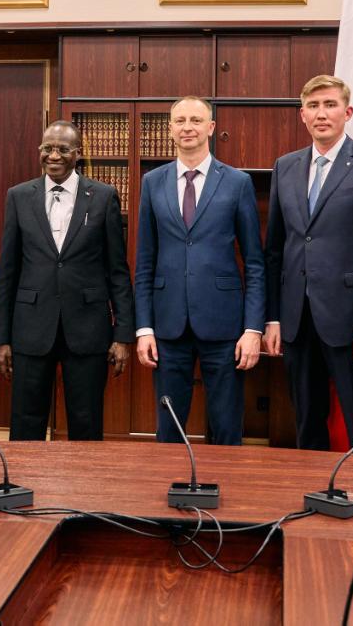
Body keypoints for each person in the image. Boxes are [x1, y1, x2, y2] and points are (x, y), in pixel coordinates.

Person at [263, 76, 353, 453]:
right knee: (307, 423)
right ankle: (312, 486)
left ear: (348, 112)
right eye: (313, 106)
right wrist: (274, 317)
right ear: (302, 115)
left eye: (330, 105)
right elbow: (275, 250)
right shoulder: (285, 167)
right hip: (297, 321)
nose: (321, 113)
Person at [0, 121, 135, 440]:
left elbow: (117, 271)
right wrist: (1, 338)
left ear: (78, 154)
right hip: (30, 328)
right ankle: (24, 474)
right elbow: (8, 272)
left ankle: (82, 476)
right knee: (26, 422)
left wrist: (123, 335)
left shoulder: (103, 197)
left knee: (86, 422)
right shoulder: (18, 196)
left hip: (88, 329)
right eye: (47, 148)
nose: (53, 155)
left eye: (62, 149)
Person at [134, 96, 264, 446]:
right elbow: (144, 261)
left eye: (195, 120)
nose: (187, 127)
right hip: (167, 326)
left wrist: (253, 328)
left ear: (211, 127)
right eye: (180, 121)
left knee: (226, 426)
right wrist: (144, 328)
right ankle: (171, 481)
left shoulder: (237, 182)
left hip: (225, 327)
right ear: (170, 129)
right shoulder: (153, 182)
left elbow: (254, 262)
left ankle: (225, 480)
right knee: (169, 429)